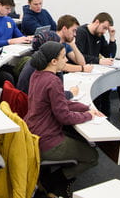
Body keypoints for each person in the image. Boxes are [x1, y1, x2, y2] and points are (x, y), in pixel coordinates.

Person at [24, 41, 101, 197]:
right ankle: (53, 183)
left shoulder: (36, 75)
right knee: (92, 157)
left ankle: (47, 180)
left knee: (79, 141)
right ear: (53, 61)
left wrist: (85, 108)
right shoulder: (53, 81)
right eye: (63, 57)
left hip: (33, 134)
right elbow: (64, 117)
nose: (66, 60)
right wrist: (87, 116)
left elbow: (61, 103)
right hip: (48, 142)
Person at [75, 12, 120, 124]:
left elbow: (109, 54)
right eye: (104, 28)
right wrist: (99, 60)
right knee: (104, 87)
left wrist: (112, 37)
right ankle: (105, 116)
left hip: (95, 69)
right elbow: (79, 55)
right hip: (83, 71)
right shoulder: (81, 32)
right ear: (97, 22)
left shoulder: (100, 35)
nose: (104, 32)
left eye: (106, 30)